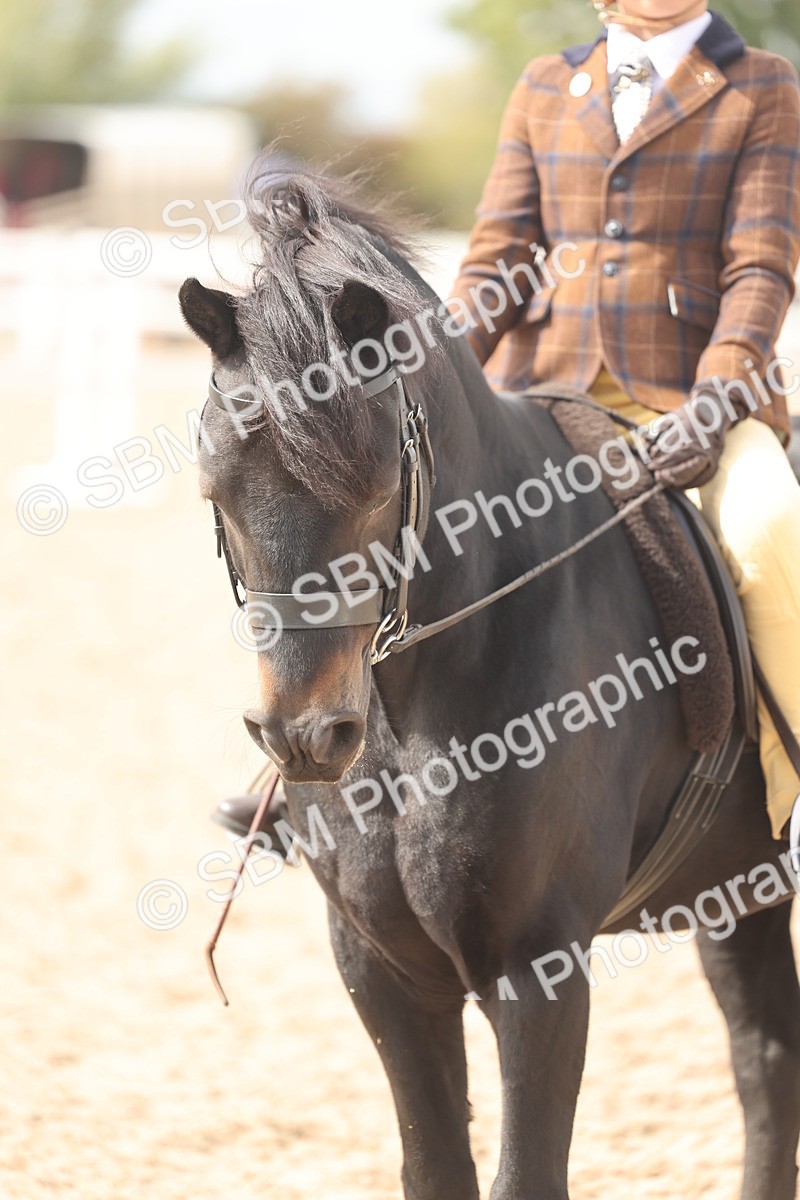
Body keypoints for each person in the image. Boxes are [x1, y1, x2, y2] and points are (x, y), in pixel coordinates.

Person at [214, 0, 800, 844]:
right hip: (541, 385)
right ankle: (297, 768)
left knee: (774, 527)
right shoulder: (547, 85)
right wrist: (425, 372)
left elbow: (760, 265)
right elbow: (501, 252)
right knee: (386, 513)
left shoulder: (760, 84)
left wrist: (714, 401)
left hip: (689, 394)